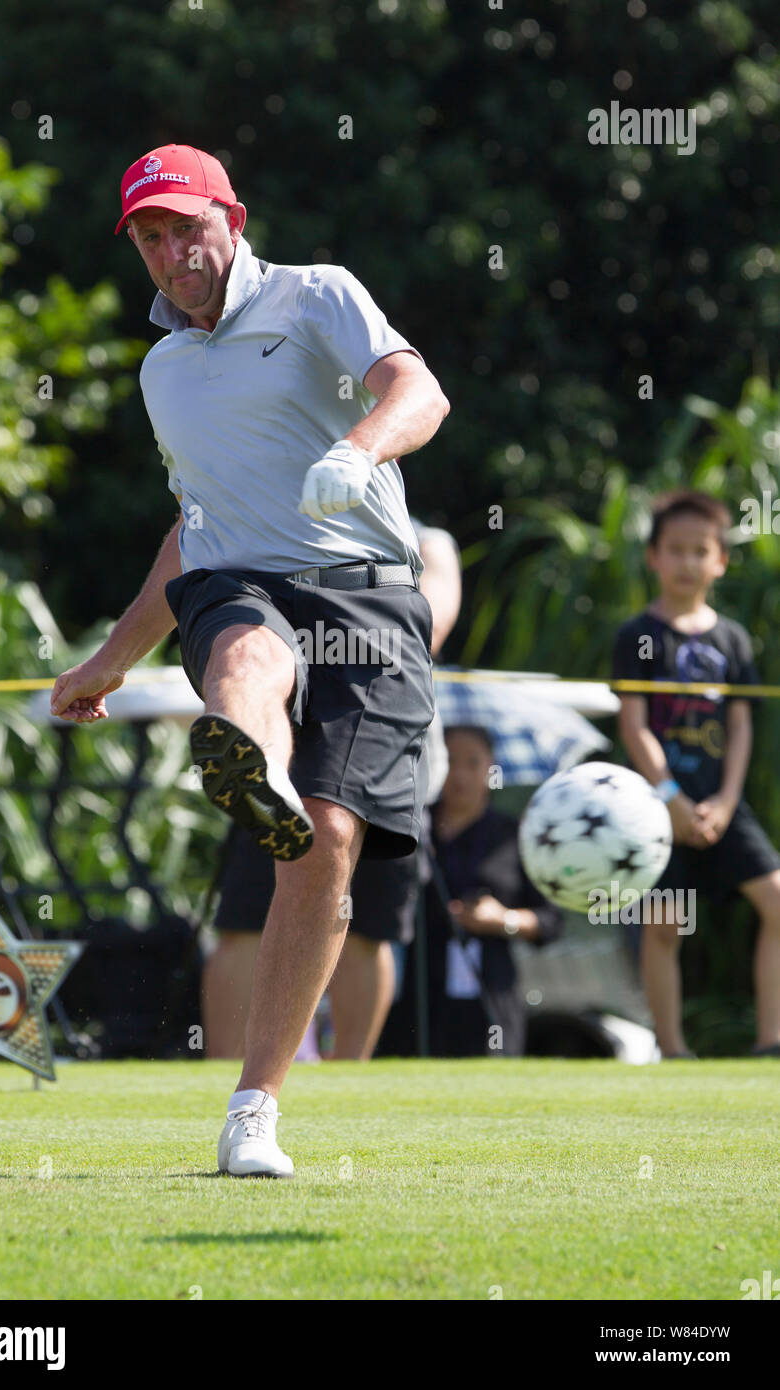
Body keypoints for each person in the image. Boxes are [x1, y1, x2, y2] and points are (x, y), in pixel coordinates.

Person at [48, 144, 449, 1175]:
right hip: (240, 584)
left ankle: (252, 1111)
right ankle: (251, 758)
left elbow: (418, 388)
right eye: (149, 236)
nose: (173, 252)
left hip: (366, 590)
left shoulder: (317, 294)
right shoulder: (161, 370)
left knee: (325, 841)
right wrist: (107, 659)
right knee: (240, 648)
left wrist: (358, 449)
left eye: (187, 226)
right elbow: (192, 527)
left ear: (231, 216)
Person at [203, 521, 461, 1061]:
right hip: (285, 755)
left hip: (386, 754)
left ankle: (348, 1076)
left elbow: (422, 631)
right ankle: (223, 1074)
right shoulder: (277, 521)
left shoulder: (426, 543)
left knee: (366, 931)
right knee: (244, 924)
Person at [612, 490, 780, 1059]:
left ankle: (770, 1042)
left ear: (720, 560)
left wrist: (728, 800)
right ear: (654, 557)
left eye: (699, 551)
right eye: (675, 550)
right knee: (664, 924)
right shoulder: (636, 635)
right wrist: (670, 797)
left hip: (721, 804)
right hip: (659, 807)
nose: (687, 562)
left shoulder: (732, 640)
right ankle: (674, 1051)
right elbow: (635, 728)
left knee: (776, 902)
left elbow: (740, 729)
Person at [416, 726, 563, 1057]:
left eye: (473, 762)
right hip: (418, 995)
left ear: (491, 768)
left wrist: (503, 920)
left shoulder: (513, 835)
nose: (460, 774)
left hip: (490, 996)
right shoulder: (413, 828)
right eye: (450, 761)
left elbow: (551, 922)